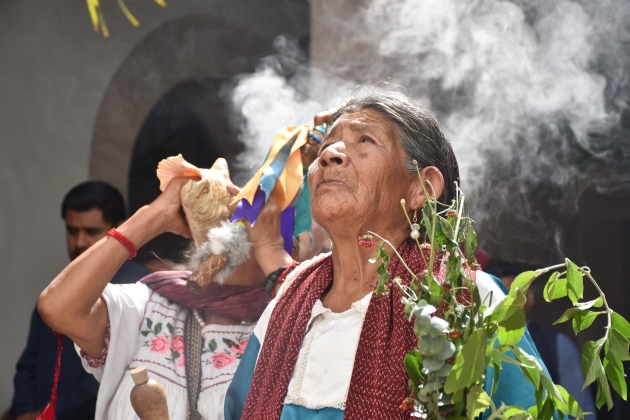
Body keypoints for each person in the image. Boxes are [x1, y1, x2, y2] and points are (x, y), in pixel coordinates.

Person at [224, 85, 557, 419]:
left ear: (422, 188)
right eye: (327, 144)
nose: (329, 155)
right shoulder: (287, 304)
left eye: (365, 140)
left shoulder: (466, 299)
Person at [8, 181, 149, 420]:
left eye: (91, 231)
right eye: (73, 231)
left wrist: (51, 413)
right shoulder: (58, 290)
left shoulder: (141, 289)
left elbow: (119, 372)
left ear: (120, 229)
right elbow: (29, 363)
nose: (80, 242)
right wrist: (22, 411)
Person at [487, 261, 596, 420]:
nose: (504, 304)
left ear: (530, 296)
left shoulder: (558, 346)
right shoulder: (479, 345)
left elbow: (579, 412)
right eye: (495, 297)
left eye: (510, 294)